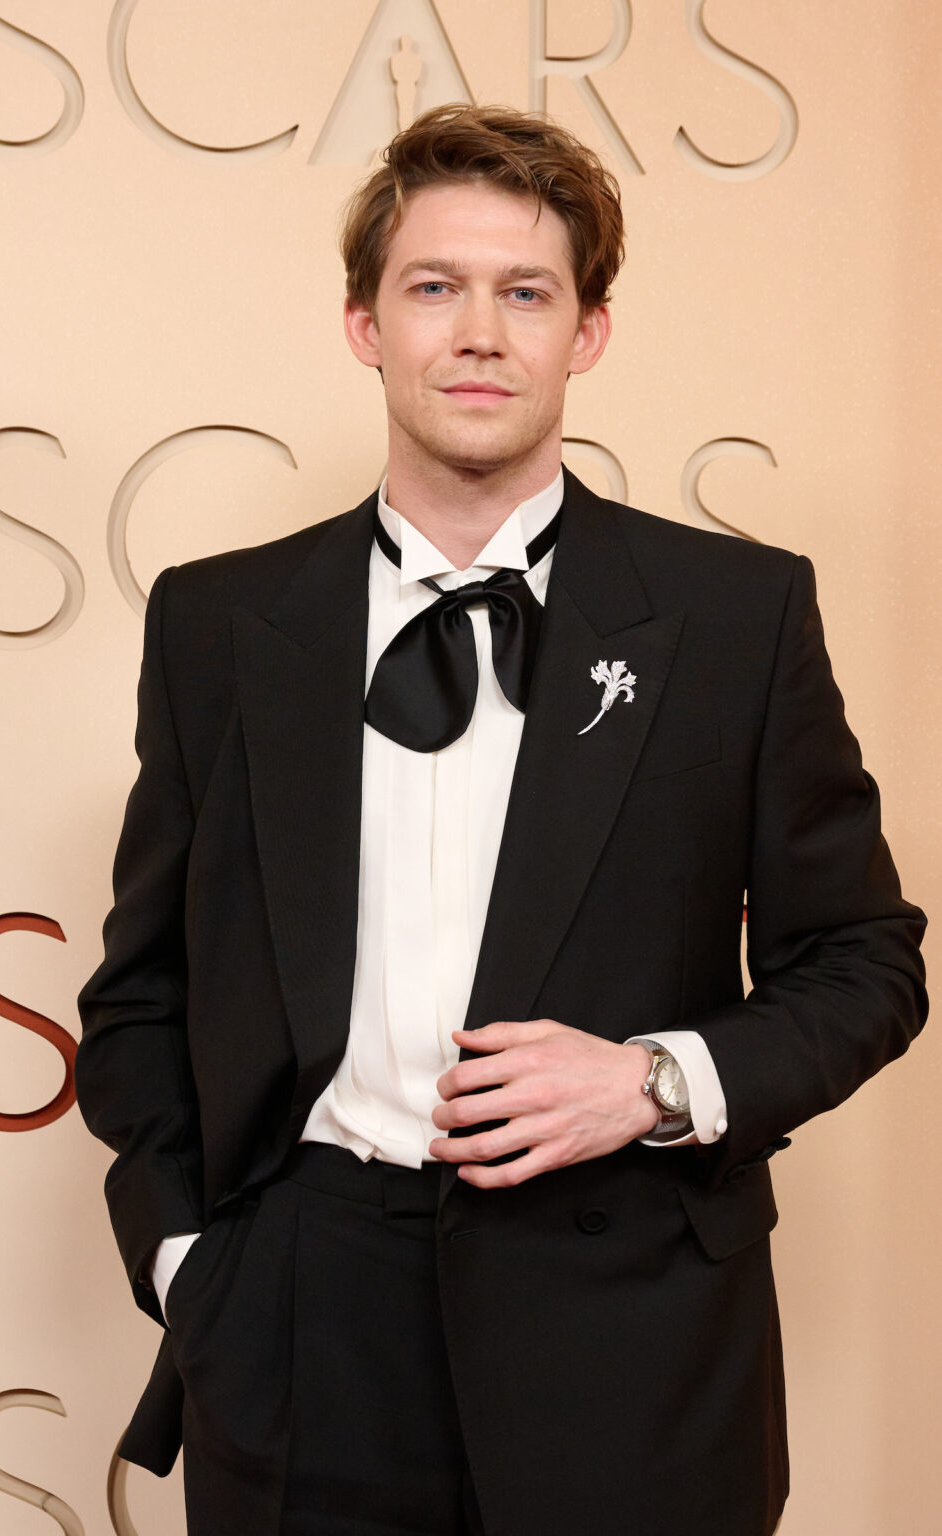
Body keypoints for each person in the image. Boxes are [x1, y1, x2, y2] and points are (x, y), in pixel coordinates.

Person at [75, 103, 928, 1536]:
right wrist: (189, 1263)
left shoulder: (734, 616)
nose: (481, 333)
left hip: (632, 1328)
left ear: (587, 332)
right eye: (435, 286)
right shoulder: (221, 622)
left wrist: (653, 1083)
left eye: (526, 292)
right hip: (300, 1321)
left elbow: (866, 965)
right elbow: (141, 987)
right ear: (364, 322)